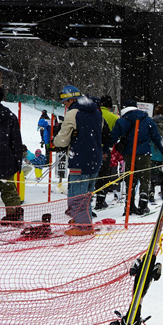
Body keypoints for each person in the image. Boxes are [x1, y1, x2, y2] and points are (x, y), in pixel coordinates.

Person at [52, 85, 104, 235]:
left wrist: (56, 140)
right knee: (88, 193)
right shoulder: (96, 111)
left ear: (72, 99)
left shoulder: (73, 113)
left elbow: (62, 140)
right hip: (95, 158)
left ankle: (83, 226)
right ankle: (83, 220)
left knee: (77, 195)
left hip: (80, 158)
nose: (65, 105)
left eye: (66, 102)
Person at [112, 100, 163, 216]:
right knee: (145, 179)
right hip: (144, 154)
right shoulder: (147, 120)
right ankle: (143, 204)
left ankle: (130, 205)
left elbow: (113, 137)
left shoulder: (121, 121)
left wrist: (105, 148)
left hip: (128, 155)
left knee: (130, 179)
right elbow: (156, 137)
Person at [0, 86, 26, 222]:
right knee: (8, 189)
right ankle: (14, 215)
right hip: (4, 159)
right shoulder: (9, 116)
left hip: (3, 158)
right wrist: (17, 162)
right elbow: (16, 141)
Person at [94, 95, 120, 209]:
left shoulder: (94, 115)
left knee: (92, 175)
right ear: (110, 105)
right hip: (106, 150)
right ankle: (101, 199)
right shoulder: (113, 117)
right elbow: (116, 135)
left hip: (92, 149)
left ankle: (88, 200)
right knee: (104, 174)